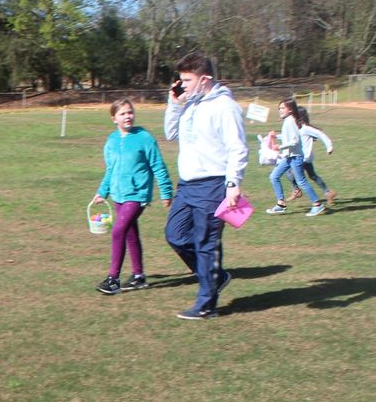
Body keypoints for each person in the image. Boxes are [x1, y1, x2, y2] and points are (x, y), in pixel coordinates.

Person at [163, 51, 247, 320]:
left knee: (205, 243)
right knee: (174, 235)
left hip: (212, 185)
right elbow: (170, 133)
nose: (182, 85)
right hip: (186, 186)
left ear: (205, 79)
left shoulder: (224, 106)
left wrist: (233, 184)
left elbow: (238, 147)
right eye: (181, 79)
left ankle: (206, 305)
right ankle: (216, 277)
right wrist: (175, 104)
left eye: (187, 80)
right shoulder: (189, 104)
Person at [92, 99, 174, 295]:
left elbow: (158, 166)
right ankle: (138, 276)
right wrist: (102, 192)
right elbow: (110, 170)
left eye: (130, 112)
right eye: (122, 114)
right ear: (114, 118)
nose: (128, 116)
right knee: (130, 233)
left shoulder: (144, 138)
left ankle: (113, 279)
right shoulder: (111, 141)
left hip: (137, 195)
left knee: (117, 231)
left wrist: (166, 191)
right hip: (118, 195)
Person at [265, 99, 323, 217]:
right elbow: (289, 138)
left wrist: (280, 146)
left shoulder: (290, 122)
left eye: (282, 108)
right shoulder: (288, 121)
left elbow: (295, 141)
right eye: (279, 108)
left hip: (295, 157)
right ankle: (281, 205)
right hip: (288, 157)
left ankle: (317, 205)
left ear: (290, 109)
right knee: (274, 176)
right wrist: (276, 136)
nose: (280, 110)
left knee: (301, 181)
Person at [289, 107, 336, 207]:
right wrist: (276, 137)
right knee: (313, 176)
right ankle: (328, 192)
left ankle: (296, 190)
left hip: (302, 158)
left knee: (288, 170)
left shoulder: (306, 128)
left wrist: (329, 146)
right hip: (305, 158)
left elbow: (320, 134)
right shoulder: (297, 128)